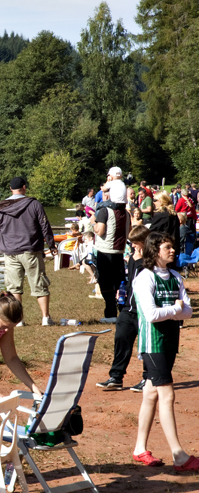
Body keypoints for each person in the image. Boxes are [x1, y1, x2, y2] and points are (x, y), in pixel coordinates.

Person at [131, 232, 198, 471]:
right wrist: (174, 309)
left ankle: (140, 449)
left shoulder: (176, 277)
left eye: (173, 247)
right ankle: (179, 456)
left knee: (150, 394)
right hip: (152, 345)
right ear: (154, 250)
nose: (173, 250)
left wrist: (173, 310)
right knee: (167, 395)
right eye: (167, 247)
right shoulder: (144, 277)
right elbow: (150, 315)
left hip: (170, 343)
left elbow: (188, 312)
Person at [0, 176, 58, 326]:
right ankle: (45, 318)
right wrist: (51, 245)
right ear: (24, 187)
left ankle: (18, 320)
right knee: (39, 284)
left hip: (10, 252)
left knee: (14, 287)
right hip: (31, 250)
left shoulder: (1, 206)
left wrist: (1, 239)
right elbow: (45, 226)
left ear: (11, 189)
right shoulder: (34, 204)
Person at [97, 225, 151, 392]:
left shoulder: (152, 259)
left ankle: (148, 379)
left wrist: (143, 259)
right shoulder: (133, 257)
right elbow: (130, 282)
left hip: (145, 310)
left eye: (135, 243)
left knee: (146, 346)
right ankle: (116, 377)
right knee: (121, 339)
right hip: (129, 308)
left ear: (144, 242)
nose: (132, 246)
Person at [90, 184, 130, 323]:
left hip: (105, 251)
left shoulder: (104, 211)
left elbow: (100, 231)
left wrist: (92, 223)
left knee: (105, 282)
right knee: (118, 282)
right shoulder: (126, 213)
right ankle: (122, 312)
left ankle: (110, 313)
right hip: (119, 251)